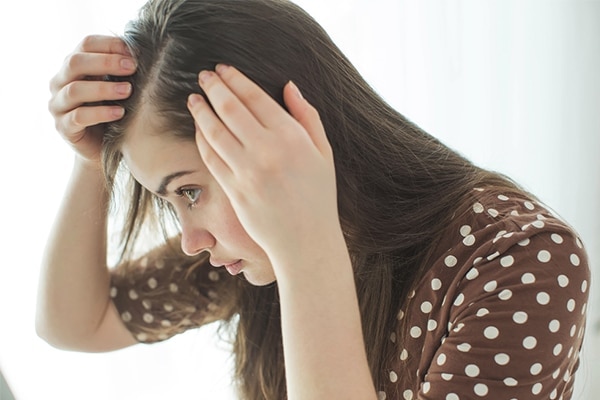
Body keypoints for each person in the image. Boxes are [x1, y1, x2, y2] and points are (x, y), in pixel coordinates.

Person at [39, 0, 590, 399]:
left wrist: (308, 250)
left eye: (190, 191)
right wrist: (95, 156)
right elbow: (74, 324)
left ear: (284, 138)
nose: (191, 238)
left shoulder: (518, 259)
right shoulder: (256, 257)